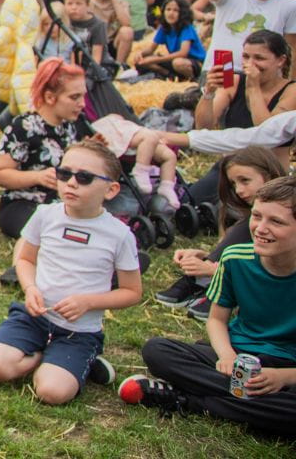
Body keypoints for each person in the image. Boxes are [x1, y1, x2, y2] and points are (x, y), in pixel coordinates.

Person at [124, 177, 296, 437]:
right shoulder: (235, 258)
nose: (260, 228)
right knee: (157, 350)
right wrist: (227, 355)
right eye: (257, 216)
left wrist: (282, 378)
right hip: (238, 353)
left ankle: (189, 399)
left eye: (277, 222)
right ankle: (254, 406)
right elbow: (216, 320)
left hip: (288, 365)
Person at [0, 141, 141, 405]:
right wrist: (30, 288)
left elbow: (132, 292)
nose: (71, 183)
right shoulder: (46, 215)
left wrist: (88, 302)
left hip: (79, 331)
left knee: (52, 393)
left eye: (85, 177)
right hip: (35, 317)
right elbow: (25, 259)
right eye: (64, 173)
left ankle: (71, 361)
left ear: (111, 189)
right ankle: (49, 357)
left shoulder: (119, 235)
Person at [155, 148, 286, 320]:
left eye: (245, 180)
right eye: (233, 184)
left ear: (269, 176)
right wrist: (206, 257)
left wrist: (213, 270)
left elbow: (282, 264)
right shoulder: (242, 214)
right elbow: (249, 251)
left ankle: (208, 284)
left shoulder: (288, 211)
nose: (238, 190)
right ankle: (205, 283)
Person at [0, 59, 93, 241]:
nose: (82, 104)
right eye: (74, 97)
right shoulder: (24, 127)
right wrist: (37, 177)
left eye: (82, 96)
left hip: (63, 204)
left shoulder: (71, 127)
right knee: (52, 231)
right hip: (24, 202)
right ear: (49, 97)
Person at [137, 0, 203, 79]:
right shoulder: (164, 28)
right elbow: (151, 49)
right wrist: (140, 54)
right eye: (168, 9)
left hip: (193, 62)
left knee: (178, 63)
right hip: (174, 61)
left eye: (176, 10)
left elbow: (183, 53)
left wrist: (154, 60)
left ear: (183, 13)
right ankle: (170, 75)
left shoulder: (187, 28)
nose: (171, 13)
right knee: (142, 61)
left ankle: (192, 79)